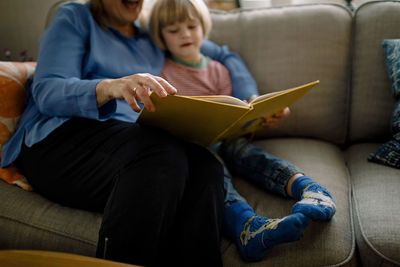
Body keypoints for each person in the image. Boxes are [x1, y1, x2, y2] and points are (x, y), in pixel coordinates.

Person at [0, 0, 263, 266]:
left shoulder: (150, 30)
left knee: (206, 166)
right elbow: (47, 92)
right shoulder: (74, 17)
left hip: (128, 139)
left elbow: (222, 54)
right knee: (160, 155)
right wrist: (109, 87)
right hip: (56, 139)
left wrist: (249, 98)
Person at [148, 0, 337, 262]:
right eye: (173, 29)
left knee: (252, 155)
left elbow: (232, 110)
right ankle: (250, 228)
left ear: (203, 28)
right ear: (160, 36)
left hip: (228, 139)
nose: (185, 34)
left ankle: (310, 190)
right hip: (196, 147)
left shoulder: (219, 69)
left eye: (191, 26)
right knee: (214, 175)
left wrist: (254, 117)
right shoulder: (162, 74)